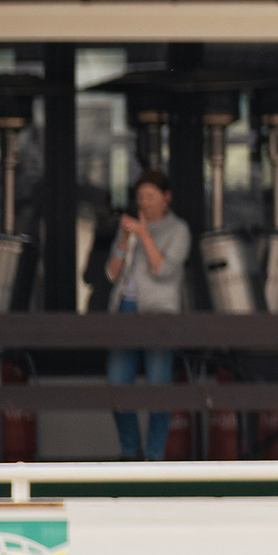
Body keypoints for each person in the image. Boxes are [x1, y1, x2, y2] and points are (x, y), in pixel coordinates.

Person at [104, 169, 190, 460]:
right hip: (125, 307)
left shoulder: (178, 230)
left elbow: (162, 270)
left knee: (158, 386)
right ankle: (130, 451)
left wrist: (144, 235)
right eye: (140, 197)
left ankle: (155, 456)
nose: (145, 203)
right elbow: (111, 274)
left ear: (166, 198)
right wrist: (124, 240)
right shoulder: (130, 227)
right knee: (117, 384)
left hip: (159, 312)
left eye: (151, 196)